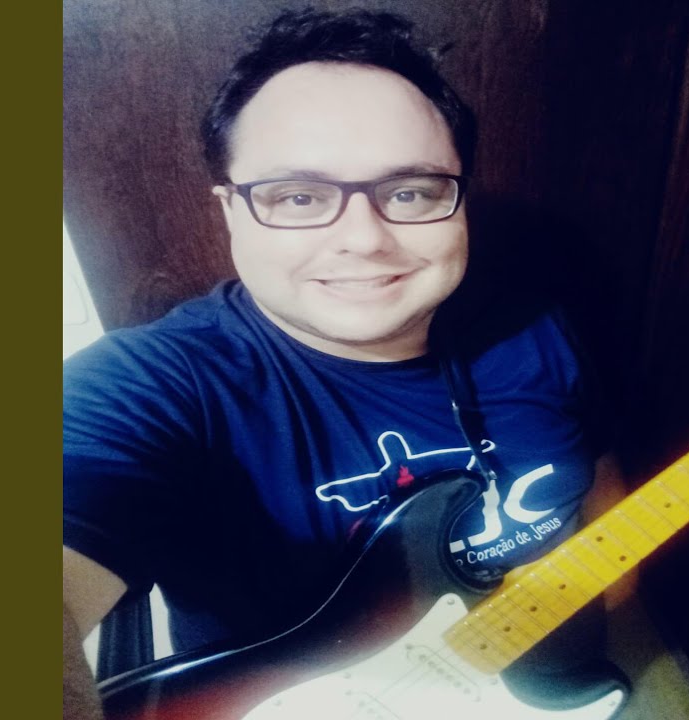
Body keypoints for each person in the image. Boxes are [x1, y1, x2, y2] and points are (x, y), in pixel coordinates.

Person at [63, 8, 628, 719]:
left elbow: (602, 492)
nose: (364, 239)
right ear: (231, 211)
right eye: (298, 197)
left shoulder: (536, 329)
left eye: (410, 192)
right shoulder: (154, 386)